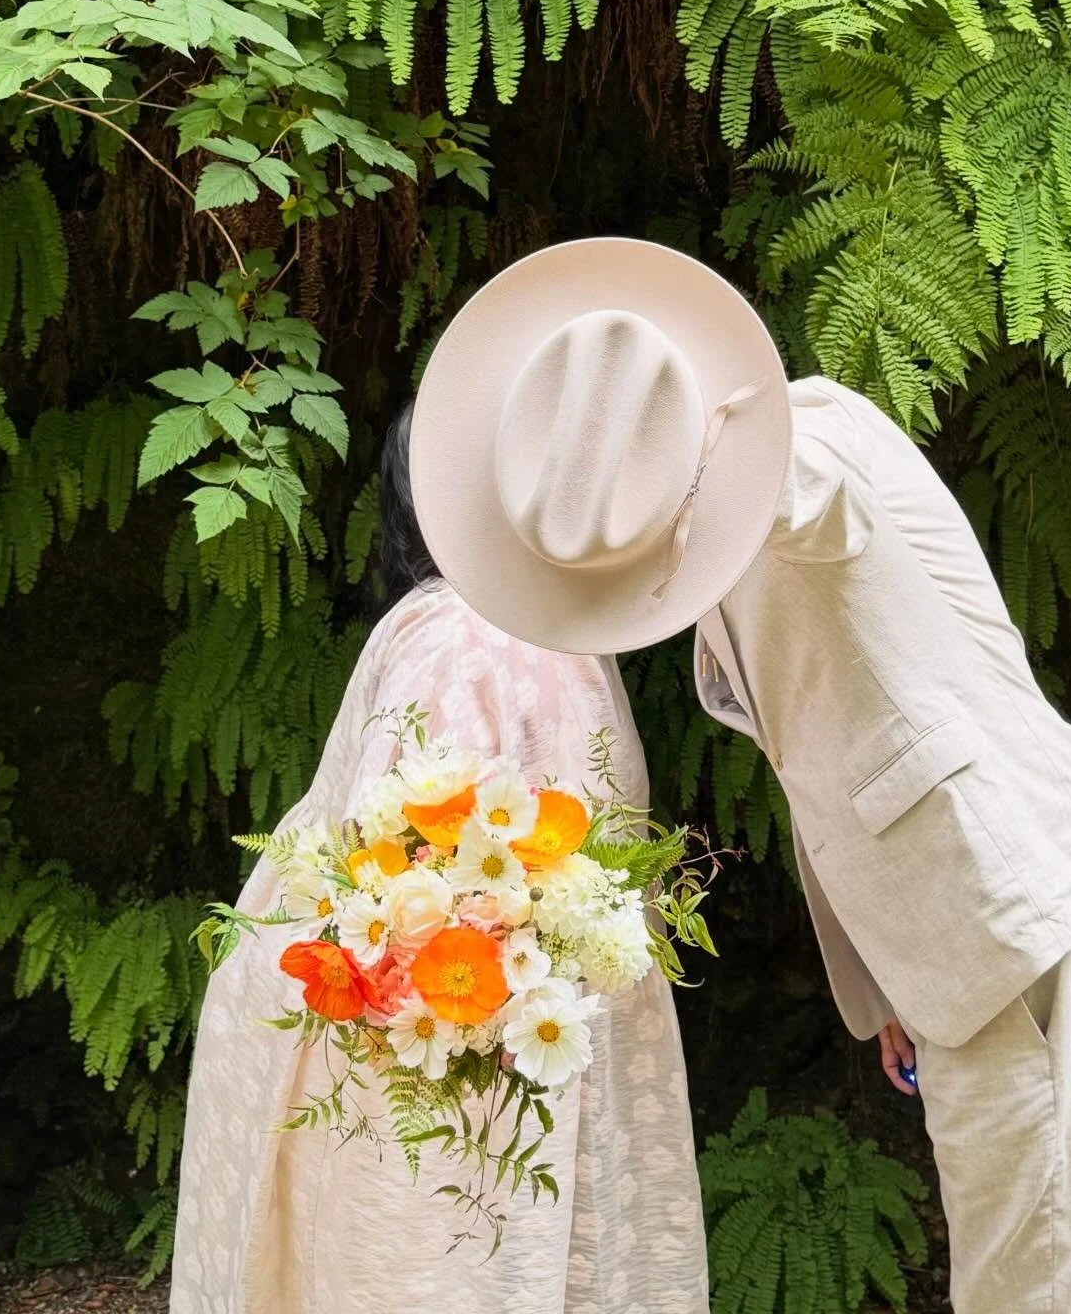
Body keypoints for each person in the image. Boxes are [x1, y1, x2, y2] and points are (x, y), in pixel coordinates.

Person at [409, 237, 1071, 1314]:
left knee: (1029, 1292)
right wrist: (884, 982)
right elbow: (835, 765)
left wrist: (671, 464)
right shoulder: (702, 543)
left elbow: (820, 505)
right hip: (956, 937)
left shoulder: (809, 449)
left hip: (1014, 905)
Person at [169, 402, 709, 1314]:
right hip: (471, 1026)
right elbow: (406, 863)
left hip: (486, 1027)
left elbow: (405, 859)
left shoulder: (486, 629)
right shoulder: (497, 632)